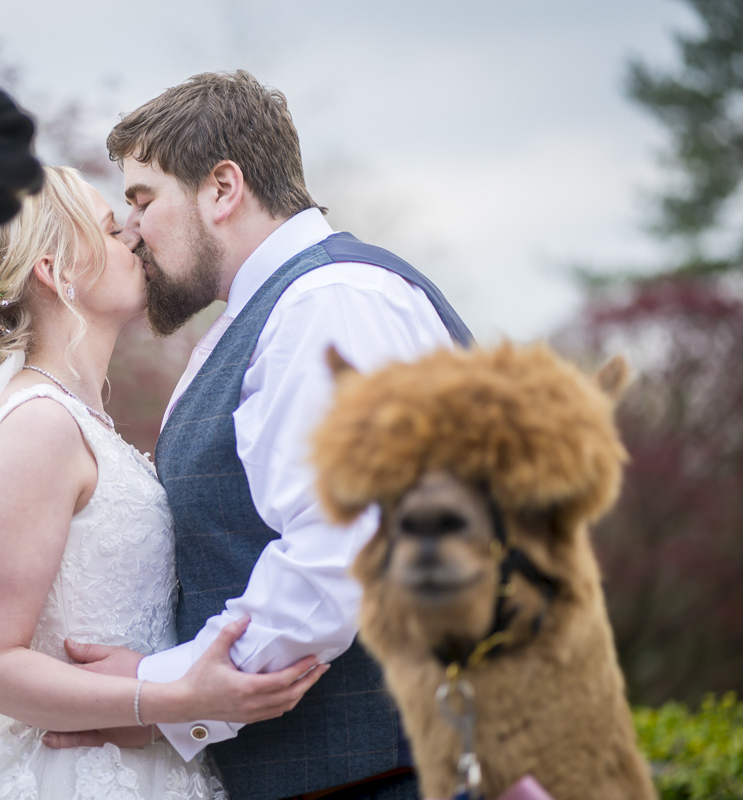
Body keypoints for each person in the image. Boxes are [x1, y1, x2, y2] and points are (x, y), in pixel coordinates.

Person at [44, 72, 474, 800]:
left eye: (144, 198)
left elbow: (342, 549)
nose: (132, 228)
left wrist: (163, 692)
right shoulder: (281, 309)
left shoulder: (330, 304)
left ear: (222, 188)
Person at [0, 166, 328, 800]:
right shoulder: (37, 426)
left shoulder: (82, 422)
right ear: (55, 271)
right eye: (108, 227)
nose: (133, 234)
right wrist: (171, 698)